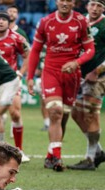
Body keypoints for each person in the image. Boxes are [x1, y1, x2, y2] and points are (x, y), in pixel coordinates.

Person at [27, 0, 95, 171]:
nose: (65, 3)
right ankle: (56, 157)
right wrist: (29, 76)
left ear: (74, 3)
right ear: (56, 2)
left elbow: (90, 50)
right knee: (55, 112)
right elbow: (35, 50)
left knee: (63, 116)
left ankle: (51, 155)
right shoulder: (45, 22)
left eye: (69, 0)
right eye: (61, 0)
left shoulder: (81, 21)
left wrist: (76, 63)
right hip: (50, 71)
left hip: (71, 75)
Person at [0, 11, 31, 163]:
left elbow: (28, 55)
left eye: (4, 19)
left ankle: (19, 150)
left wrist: (21, 73)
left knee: (15, 113)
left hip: (11, 82)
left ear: (9, 22)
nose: (1, 22)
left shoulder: (16, 38)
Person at [67, 0, 105, 170]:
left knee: (90, 114)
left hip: (98, 77)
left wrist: (97, 71)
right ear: (87, 6)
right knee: (75, 113)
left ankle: (90, 159)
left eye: (99, 6)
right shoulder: (79, 21)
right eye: (93, 5)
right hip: (79, 75)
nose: (95, 9)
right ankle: (99, 151)